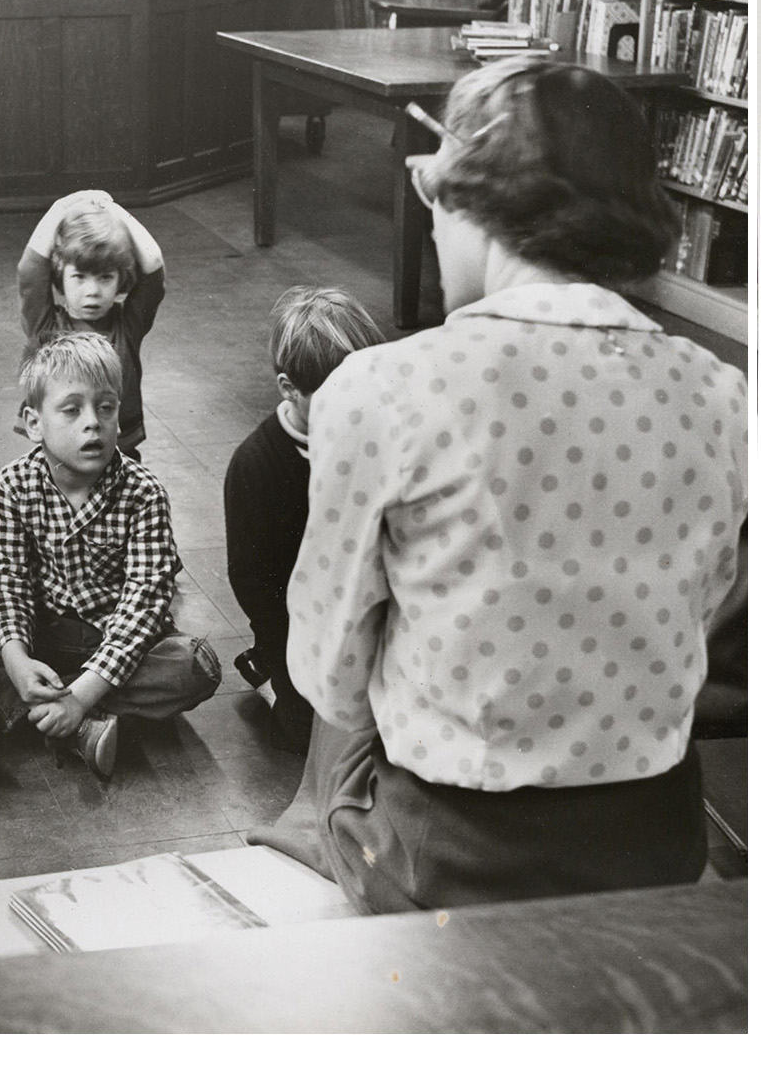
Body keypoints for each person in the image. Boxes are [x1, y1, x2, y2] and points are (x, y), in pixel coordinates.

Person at [248, 58, 748, 914]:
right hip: (653, 837)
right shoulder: (726, 394)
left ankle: (300, 844)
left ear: (479, 210)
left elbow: (325, 673)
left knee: (349, 712)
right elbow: (704, 617)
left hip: (447, 855)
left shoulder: (379, 389)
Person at [0, 332, 221, 778]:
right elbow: (3, 580)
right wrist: (17, 662)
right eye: (72, 410)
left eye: (106, 407)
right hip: (42, 637)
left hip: (113, 642)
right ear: (34, 424)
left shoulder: (144, 493)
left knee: (194, 666)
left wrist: (81, 695)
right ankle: (74, 726)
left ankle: (46, 713)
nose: (92, 423)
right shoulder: (13, 484)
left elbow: (144, 603)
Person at [224, 286, 385, 754]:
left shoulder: (375, 438)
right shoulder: (256, 464)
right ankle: (266, 674)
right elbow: (252, 580)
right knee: (314, 742)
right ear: (289, 389)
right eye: (336, 397)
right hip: (298, 629)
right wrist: (291, 652)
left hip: (366, 613)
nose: (356, 409)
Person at [18, 189, 165, 458]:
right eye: (80, 277)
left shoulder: (128, 326)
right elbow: (30, 270)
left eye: (105, 277)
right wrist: (61, 207)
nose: (92, 291)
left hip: (119, 447)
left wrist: (116, 212)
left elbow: (153, 264)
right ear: (60, 277)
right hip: (62, 450)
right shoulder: (48, 328)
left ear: (121, 279)